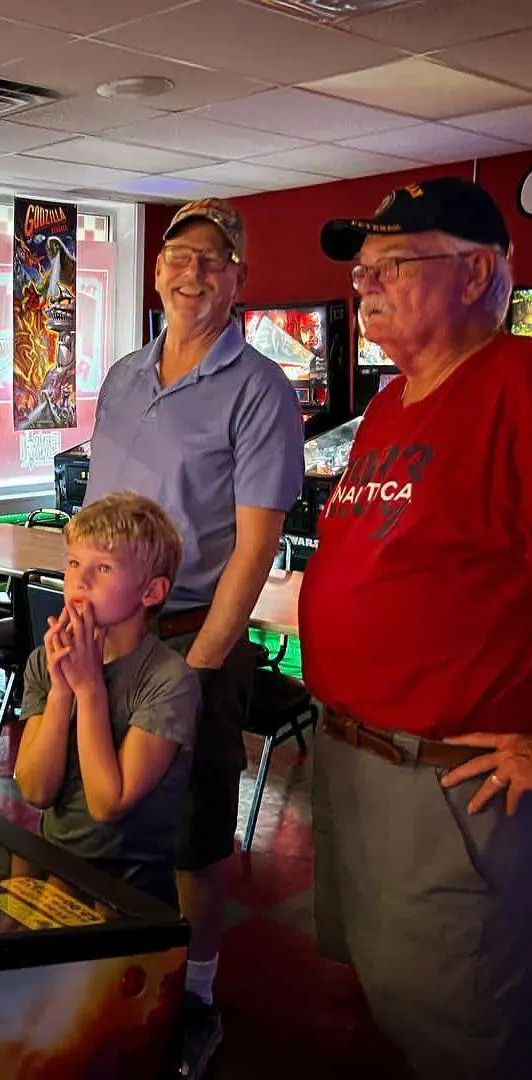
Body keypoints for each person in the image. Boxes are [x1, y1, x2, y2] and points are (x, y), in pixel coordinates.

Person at [302, 176, 532, 1078]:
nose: (366, 288)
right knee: (401, 1012)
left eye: (393, 266)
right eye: (363, 273)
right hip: (353, 762)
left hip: (449, 786)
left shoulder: (517, 388)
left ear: (477, 274)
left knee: (466, 1032)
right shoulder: (393, 405)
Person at [83, 198, 304, 1075]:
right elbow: (97, 519)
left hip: (191, 639)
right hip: (106, 638)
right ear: (157, 269)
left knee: (192, 833)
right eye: (181, 255)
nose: (193, 272)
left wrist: (202, 666)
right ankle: (119, 961)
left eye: (215, 259)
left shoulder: (260, 391)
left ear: (240, 281)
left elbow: (256, 547)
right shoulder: (123, 377)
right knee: (102, 807)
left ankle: (199, 994)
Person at [13, 492, 200, 904]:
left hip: (129, 894)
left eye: (104, 567)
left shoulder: (170, 680)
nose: (80, 580)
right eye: (75, 563)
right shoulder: (46, 663)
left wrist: (89, 688)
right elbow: (36, 790)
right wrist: (62, 689)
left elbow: (107, 804)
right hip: (54, 873)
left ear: (151, 592)